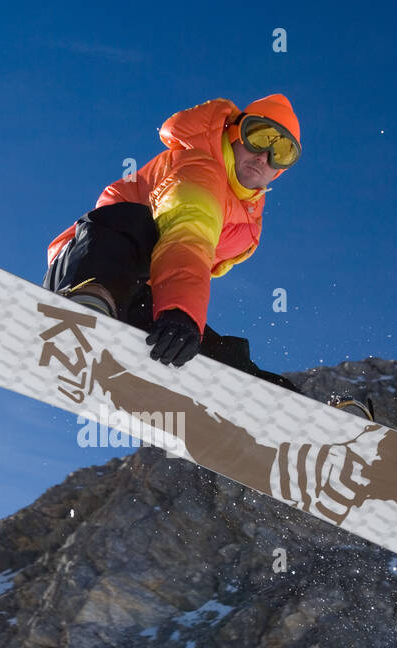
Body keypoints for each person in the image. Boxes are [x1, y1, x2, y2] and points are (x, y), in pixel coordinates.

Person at [43, 94, 373, 420]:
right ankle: (87, 307)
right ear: (234, 132)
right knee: (133, 222)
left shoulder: (246, 212)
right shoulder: (201, 164)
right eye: (258, 137)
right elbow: (187, 235)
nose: (264, 157)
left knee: (223, 358)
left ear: (282, 170)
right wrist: (181, 310)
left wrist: (181, 320)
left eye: (282, 152)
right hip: (87, 267)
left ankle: (308, 423)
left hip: (144, 295)